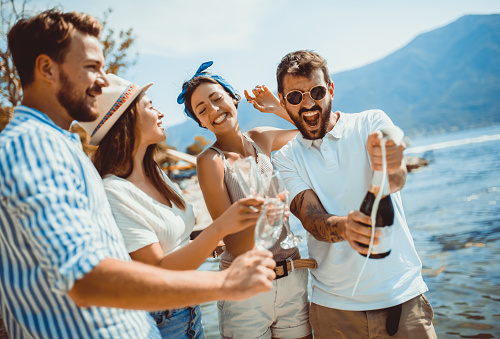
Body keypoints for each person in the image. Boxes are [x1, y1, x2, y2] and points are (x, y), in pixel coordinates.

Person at [0, 9, 276, 339]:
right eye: (92, 67)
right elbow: (85, 279)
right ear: (46, 68)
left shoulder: (62, 146)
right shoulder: (32, 147)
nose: (103, 81)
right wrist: (225, 282)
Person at [78, 73, 265, 338]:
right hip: (158, 323)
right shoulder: (112, 192)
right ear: (128, 120)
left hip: (188, 314)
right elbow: (157, 273)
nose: (160, 113)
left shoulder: (153, 172)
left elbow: (170, 241)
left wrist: (209, 241)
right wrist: (220, 228)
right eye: (150, 106)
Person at [267, 50, 436, 338]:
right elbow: (311, 218)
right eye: (295, 97)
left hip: (402, 298)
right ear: (283, 101)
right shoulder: (284, 158)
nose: (308, 104)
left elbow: (395, 177)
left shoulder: (370, 122)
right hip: (334, 311)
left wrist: (391, 161)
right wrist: (346, 226)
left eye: (317, 92)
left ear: (330, 90)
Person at [178, 61, 315, 339]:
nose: (214, 110)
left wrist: (278, 107)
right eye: (202, 110)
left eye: (217, 99)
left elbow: (313, 130)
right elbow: (236, 244)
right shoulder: (210, 161)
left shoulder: (260, 138)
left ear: (234, 97)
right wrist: (268, 218)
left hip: (292, 277)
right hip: (246, 290)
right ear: (201, 122)